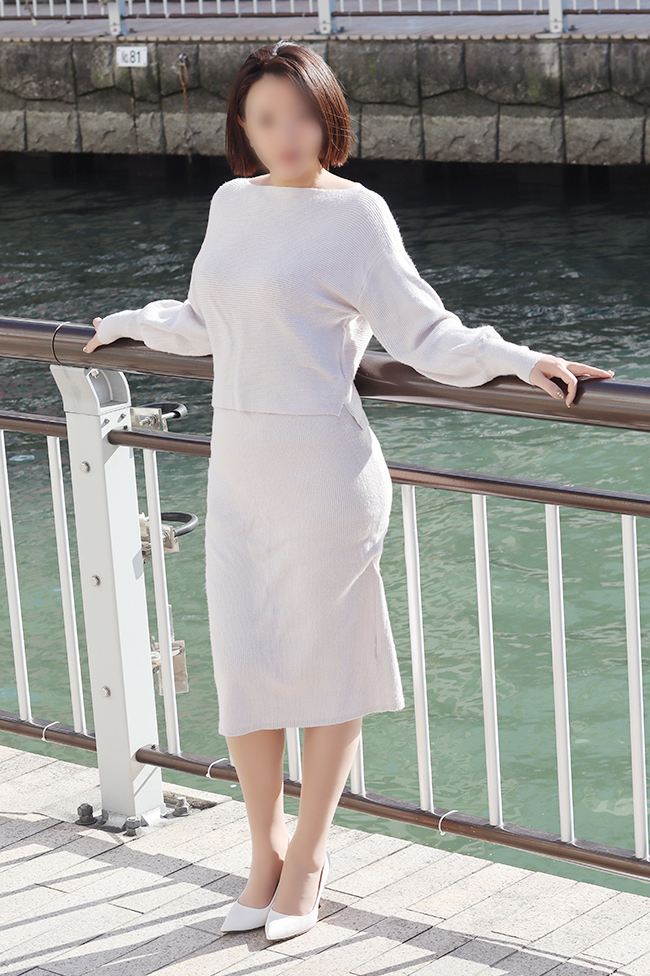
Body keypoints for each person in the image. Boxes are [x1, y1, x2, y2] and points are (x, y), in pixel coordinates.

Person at [83, 40, 615, 942]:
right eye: (265, 119)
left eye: (300, 115)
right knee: (247, 668)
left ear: (327, 117)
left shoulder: (359, 215)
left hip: (327, 476)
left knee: (328, 674)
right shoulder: (232, 203)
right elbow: (206, 319)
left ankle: (310, 857)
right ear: (243, 128)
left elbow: (425, 334)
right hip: (241, 470)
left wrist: (520, 360)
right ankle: (263, 851)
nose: (285, 134)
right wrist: (126, 324)